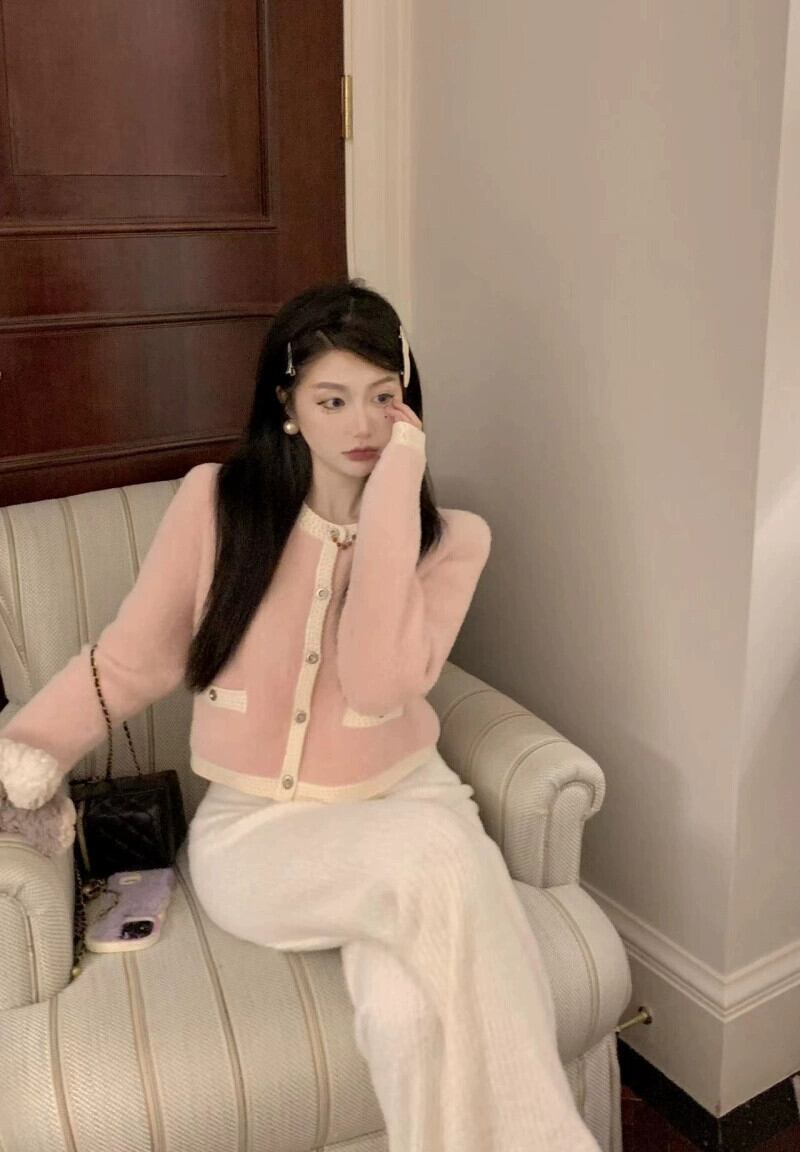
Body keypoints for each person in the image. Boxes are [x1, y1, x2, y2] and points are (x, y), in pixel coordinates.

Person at [0, 279, 600, 1152]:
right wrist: (27, 752)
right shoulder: (218, 505)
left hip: (411, 800)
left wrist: (392, 499)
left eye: (384, 398)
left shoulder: (452, 540)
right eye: (333, 400)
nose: (364, 426)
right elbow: (135, 658)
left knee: (404, 1014)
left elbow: (377, 682)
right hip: (260, 832)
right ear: (287, 407)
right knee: (445, 865)